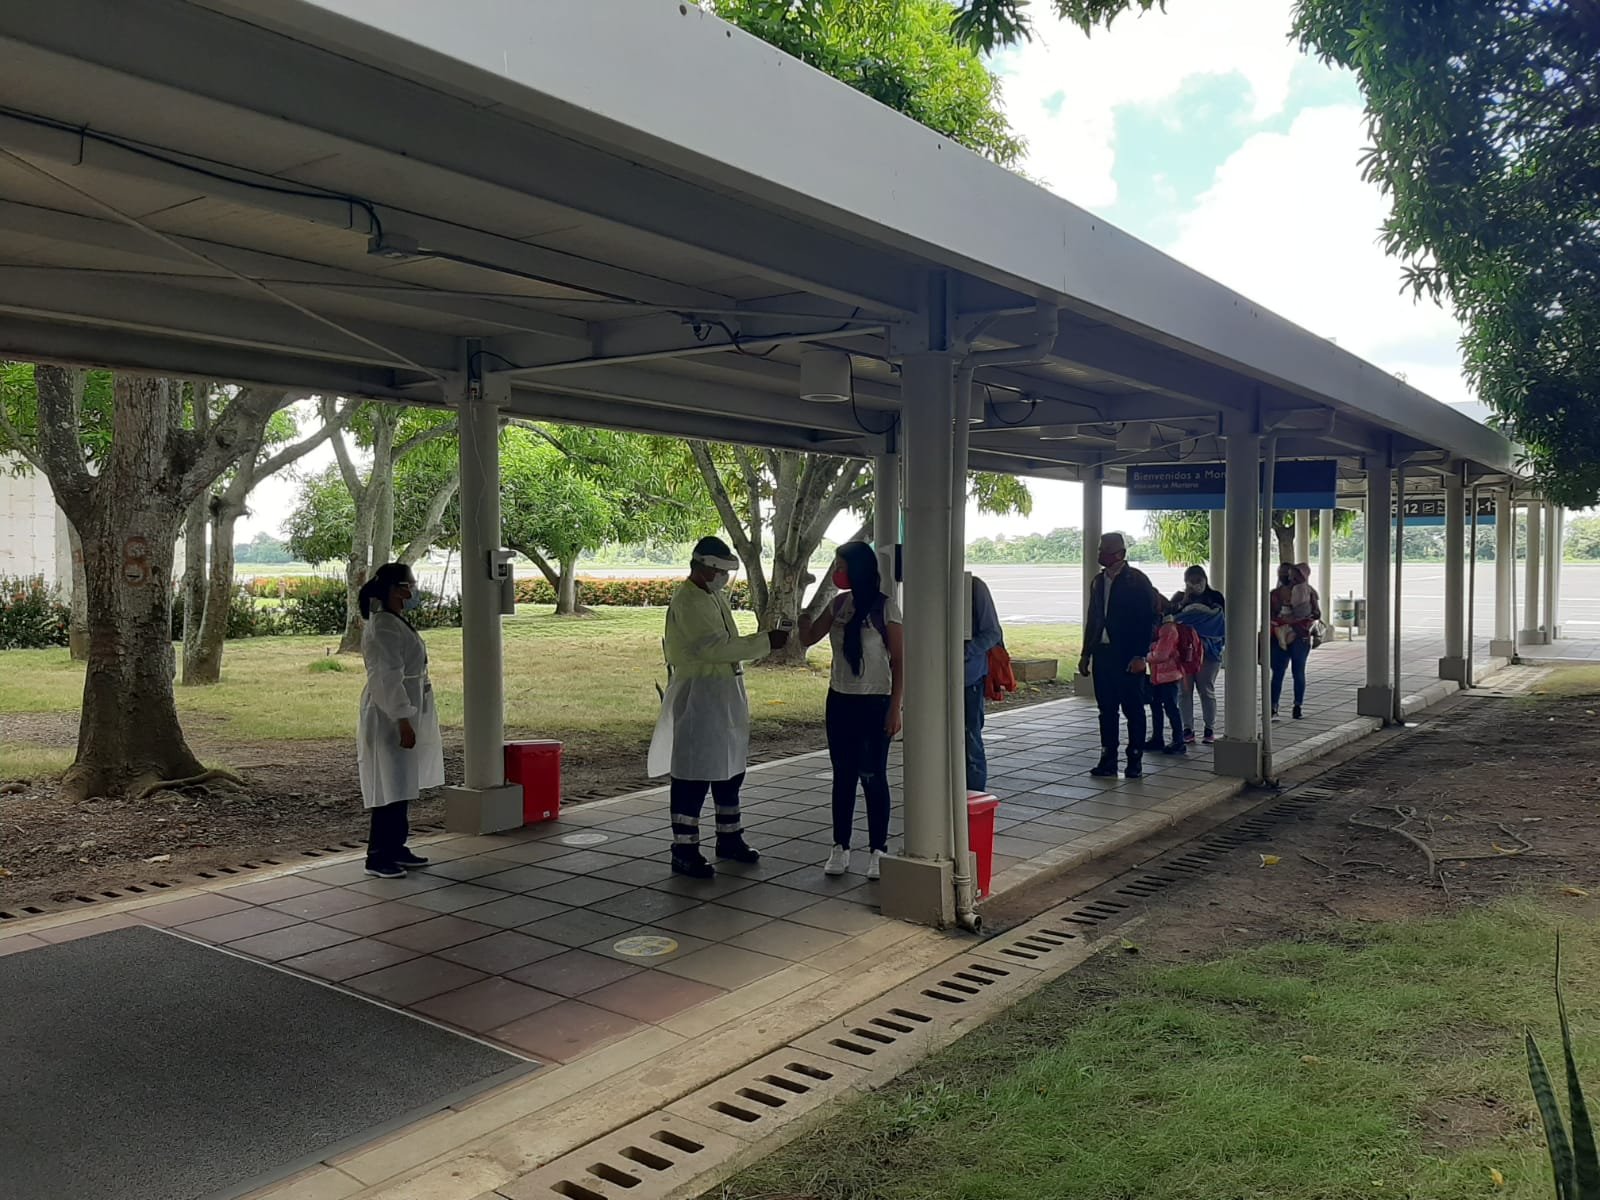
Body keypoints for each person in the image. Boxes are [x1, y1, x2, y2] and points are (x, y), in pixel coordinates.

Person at [647, 536, 789, 878]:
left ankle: (729, 837)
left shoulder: (712, 596)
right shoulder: (689, 600)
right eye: (722, 571)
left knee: (731, 768)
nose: (725, 578)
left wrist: (761, 642)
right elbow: (713, 648)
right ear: (705, 568)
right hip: (699, 694)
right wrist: (765, 642)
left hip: (724, 691)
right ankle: (684, 848)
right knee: (694, 772)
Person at [800, 542, 903, 880]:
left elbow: (901, 662)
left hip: (875, 701)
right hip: (840, 699)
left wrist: (895, 708)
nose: (836, 571)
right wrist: (800, 614)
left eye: (841, 565)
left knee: (873, 776)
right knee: (842, 776)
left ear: (857, 569)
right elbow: (809, 638)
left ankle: (878, 850)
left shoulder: (886, 609)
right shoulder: (839, 604)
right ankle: (840, 846)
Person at [356, 563, 444, 879]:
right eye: (408, 585)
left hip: (407, 708)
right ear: (393, 588)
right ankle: (378, 855)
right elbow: (386, 678)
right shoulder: (383, 627)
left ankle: (397, 846)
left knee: (402, 782)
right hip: (388, 716)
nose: (413, 591)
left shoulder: (394, 622)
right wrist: (402, 719)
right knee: (388, 784)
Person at [1078, 532, 1161, 779]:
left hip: (1128, 656)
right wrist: (1086, 653)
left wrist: (1140, 655)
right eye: (1100, 548)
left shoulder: (1136, 581)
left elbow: (1149, 619)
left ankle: (1134, 759)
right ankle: (1108, 759)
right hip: (1103, 654)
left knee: (1133, 709)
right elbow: (1093, 620)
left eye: (1106, 549)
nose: (1100, 553)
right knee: (1107, 709)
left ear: (1121, 554)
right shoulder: (1098, 582)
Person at [1172, 566, 1226, 745]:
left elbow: (1222, 621)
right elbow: (1171, 618)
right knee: (1184, 691)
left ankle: (1209, 728)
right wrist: (1185, 601)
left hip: (1209, 653)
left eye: (1199, 580)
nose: (1195, 584)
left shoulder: (1216, 597)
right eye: (1191, 580)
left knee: (1206, 689)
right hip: (1184, 653)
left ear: (1205, 579)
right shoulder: (1179, 598)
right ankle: (1187, 728)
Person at [964, 574, 1004, 793]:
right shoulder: (925, 586)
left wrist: (964, 652)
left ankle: (975, 795)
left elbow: (992, 632)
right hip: (935, 680)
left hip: (969, 679)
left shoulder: (974, 587)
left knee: (971, 740)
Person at [1270, 562, 1321, 720]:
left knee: (1298, 672)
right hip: (1279, 636)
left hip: (1301, 636)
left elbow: (1317, 613)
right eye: (1282, 573)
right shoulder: (1274, 594)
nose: (1286, 577)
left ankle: (1297, 705)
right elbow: (1269, 615)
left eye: (1288, 573)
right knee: (1278, 672)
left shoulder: (1309, 592)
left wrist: (1301, 618)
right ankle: (1273, 706)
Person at [1144, 610, 1187, 755]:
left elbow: (1161, 655)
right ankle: (1157, 738)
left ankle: (1179, 741)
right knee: (1155, 706)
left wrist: (1144, 656)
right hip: (1157, 675)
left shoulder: (1168, 629)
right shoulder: (1160, 627)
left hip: (1169, 675)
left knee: (1170, 708)